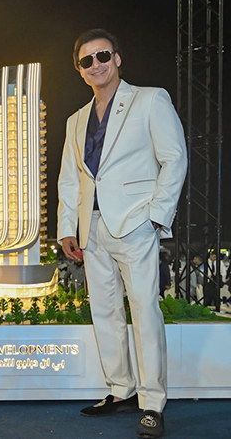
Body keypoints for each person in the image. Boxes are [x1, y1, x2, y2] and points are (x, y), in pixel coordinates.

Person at [57, 29, 187, 438]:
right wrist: (67, 227)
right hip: (92, 228)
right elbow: (70, 179)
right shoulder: (76, 120)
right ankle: (121, 390)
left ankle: (152, 403)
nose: (95, 64)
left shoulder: (150, 99)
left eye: (102, 56)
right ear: (80, 71)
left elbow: (174, 158)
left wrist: (156, 216)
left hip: (135, 223)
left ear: (117, 59)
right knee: (105, 312)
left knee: (145, 312)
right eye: (86, 61)